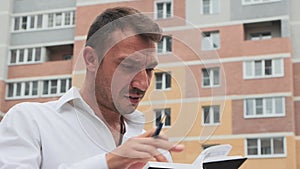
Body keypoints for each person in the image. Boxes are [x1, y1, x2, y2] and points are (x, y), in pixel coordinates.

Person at [0, 6, 184, 169]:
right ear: (91, 59)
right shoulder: (30, 121)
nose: (142, 84)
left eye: (150, 69)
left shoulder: (154, 150)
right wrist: (108, 163)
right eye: (128, 66)